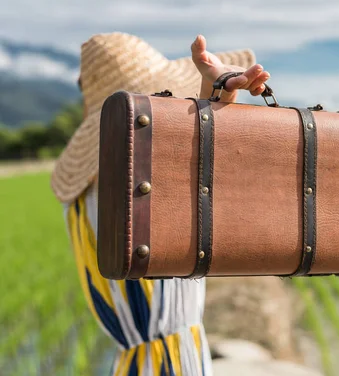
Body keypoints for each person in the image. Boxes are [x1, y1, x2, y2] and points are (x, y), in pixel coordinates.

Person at [50, 32, 270, 375]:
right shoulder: (140, 180)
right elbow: (195, 163)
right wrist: (217, 99)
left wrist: (215, 99)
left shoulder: (85, 193)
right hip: (174, 364)